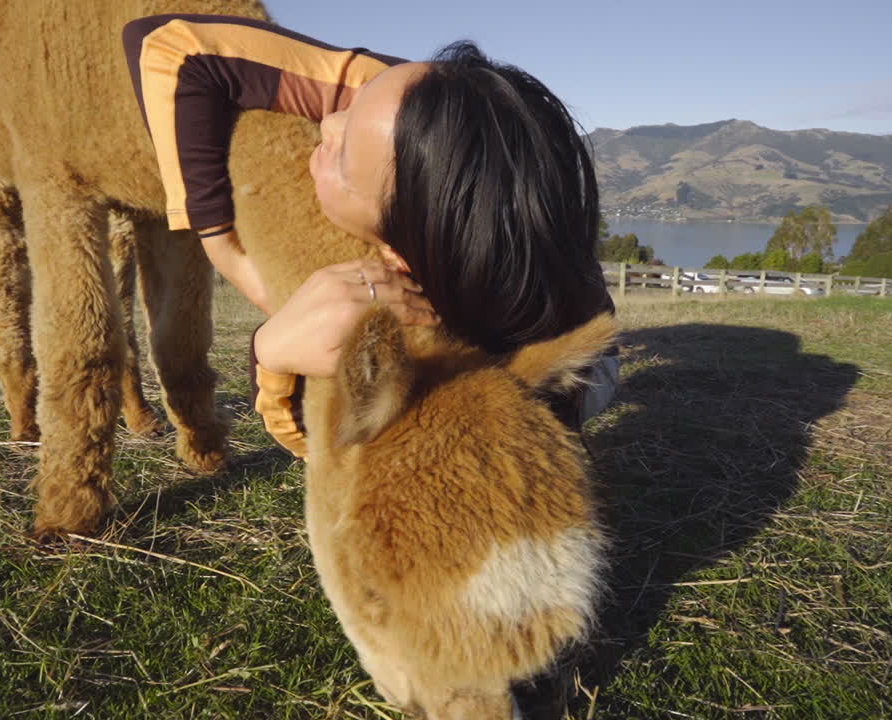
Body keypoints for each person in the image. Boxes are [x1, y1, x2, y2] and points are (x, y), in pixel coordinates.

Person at [123, 15, 617, 458]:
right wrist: (221, 244)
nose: (326, 123)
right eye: (353, 103)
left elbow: (340, 455)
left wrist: (272, 354)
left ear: (394, 256)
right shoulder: (436, 106)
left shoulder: (553, 367)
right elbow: (167, 45)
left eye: (339, 154)